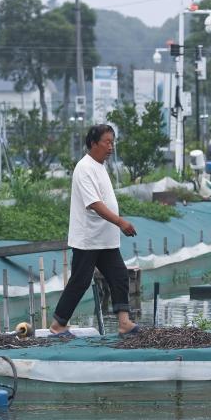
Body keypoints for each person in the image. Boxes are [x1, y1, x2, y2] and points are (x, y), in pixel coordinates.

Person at [49, 124, 140, 339]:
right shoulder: (84, 168)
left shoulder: (100, 166)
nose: (111, 147)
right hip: (88, 238)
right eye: (107, 142)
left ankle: (124, 323)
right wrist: (120, 222)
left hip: (106, 239)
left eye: (112, 142)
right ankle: (57, 326)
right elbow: (94, 204)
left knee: (119, 277)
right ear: (93, 143)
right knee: (80, 281)